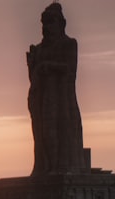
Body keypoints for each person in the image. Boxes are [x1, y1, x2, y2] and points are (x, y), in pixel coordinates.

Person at [27, 2, 86, 176]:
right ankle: (44, 166)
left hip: (61, 99)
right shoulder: (39, 49)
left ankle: (59, 167)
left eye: (51, 22)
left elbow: (69, 69)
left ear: (61, 24)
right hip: (41, 98)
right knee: (43, 133)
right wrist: (32, 65)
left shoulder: (69, 44)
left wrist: (48, 66)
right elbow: (33, 79)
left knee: (58, 132)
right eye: (44, 24)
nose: (47, 27)